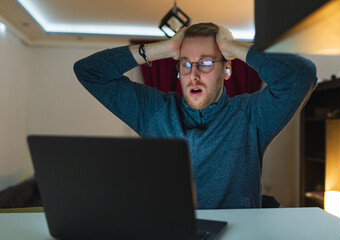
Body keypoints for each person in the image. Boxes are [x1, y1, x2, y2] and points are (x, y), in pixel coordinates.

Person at [73, 23, 317, 209]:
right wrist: (164, 47)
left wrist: (233, 47)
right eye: (185, 64)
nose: (194, 75)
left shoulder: (251, 116)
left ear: (227, 69)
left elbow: (300, 75)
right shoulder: (153, 111)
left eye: (206, 63)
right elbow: (89, 72)